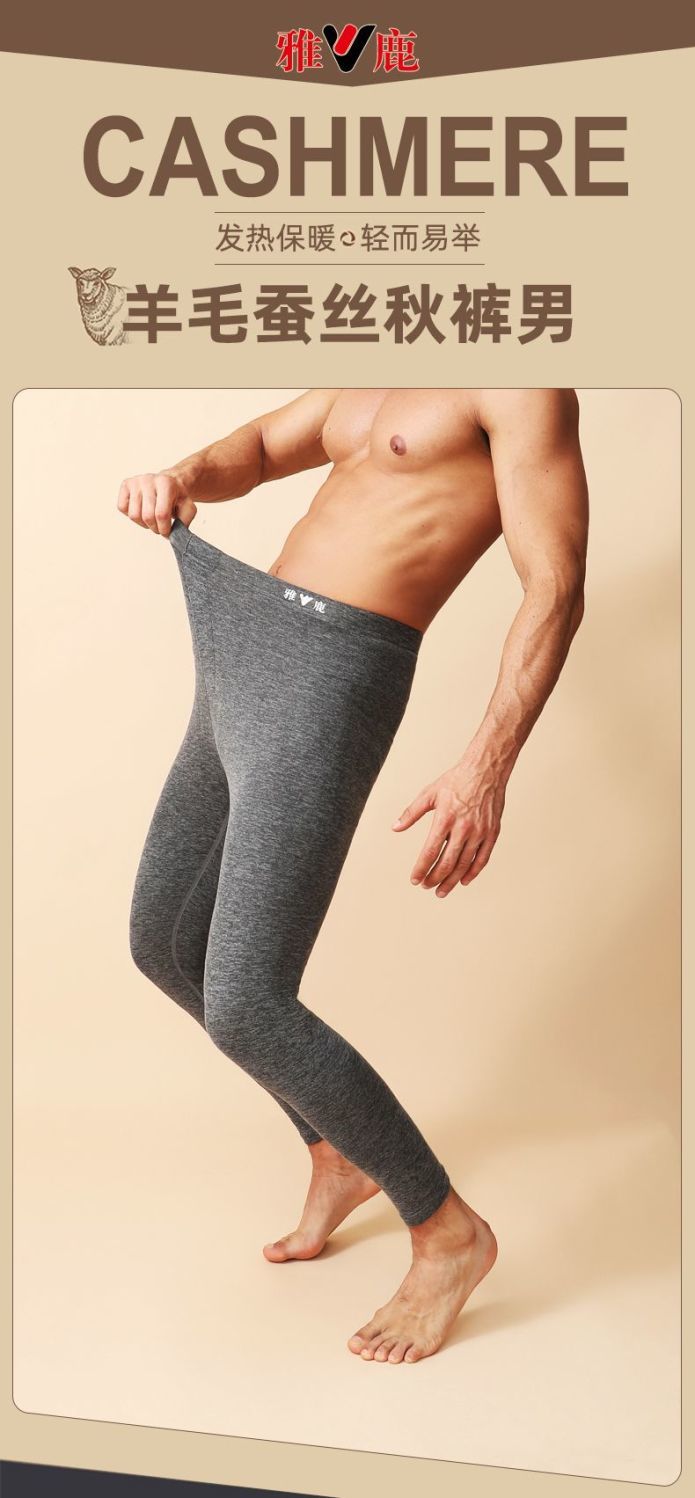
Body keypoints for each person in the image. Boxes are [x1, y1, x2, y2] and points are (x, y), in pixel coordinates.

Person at [119, 388, 589, 1365]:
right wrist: (182, 474)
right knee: (163, 941)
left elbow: (554, 583)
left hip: (332, 677)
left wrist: (485, 766)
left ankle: (447, 1230)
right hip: (240, 656)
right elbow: (257, 448)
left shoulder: (520, 384)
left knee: (247, 1000)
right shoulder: (381, 362)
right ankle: (336, 1153)